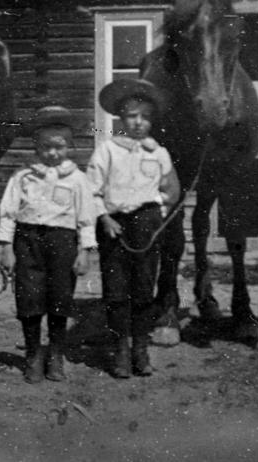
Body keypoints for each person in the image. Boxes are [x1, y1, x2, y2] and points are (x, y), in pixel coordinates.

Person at [88, 79, 181, 379]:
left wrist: (156, 216)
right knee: (116, 293)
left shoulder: (159, 153)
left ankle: (141, 350)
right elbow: (91, 191)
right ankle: (121, 352)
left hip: (146, 227)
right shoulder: (106, 151)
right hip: (114, 227)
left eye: (145, 117)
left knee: (143, 291)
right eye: (132, 116)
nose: (139, 122)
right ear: (120, 118)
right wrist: (104, 218)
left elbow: (171, 190)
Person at [0, 107, 96, 383]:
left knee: (59, 298)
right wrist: (7, 249)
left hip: (63, 243)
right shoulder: (23, 177)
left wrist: (85, 251)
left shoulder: (78, 179)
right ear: (36, 146)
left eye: (59, 147)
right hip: (27, 242)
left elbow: (87, 219)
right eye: (46, 147)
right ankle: (32, 354)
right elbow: (8, 213)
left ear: (70, 147)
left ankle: (55, 354)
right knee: (28, 298)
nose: (52, 153)